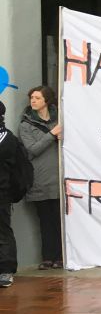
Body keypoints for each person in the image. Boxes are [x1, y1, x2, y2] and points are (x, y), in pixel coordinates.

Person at [19, 87, 63, 269]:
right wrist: (52, 135)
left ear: (47, 100)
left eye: (37, 97)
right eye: (31, 98)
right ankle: (48, 257)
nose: (33, 101)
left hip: (59, 180)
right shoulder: (26, 125)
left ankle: (61, 256)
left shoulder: (60, 119)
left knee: (60, 221)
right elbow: (32, 149)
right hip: (39, 181)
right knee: (45, 221)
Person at [0, 101, 33, 288]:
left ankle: (6, 270)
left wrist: (12, 193)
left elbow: (20, 172)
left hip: (1, 194)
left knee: (2, 232)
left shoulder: (6, 139)